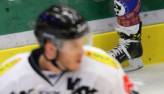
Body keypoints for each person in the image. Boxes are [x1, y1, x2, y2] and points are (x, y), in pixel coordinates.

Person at [0, 5, 136, 93]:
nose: (82, 51)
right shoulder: (9, 77)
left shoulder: (103, 67)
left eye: (82, 43)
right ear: (50, 49)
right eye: (73, 46)